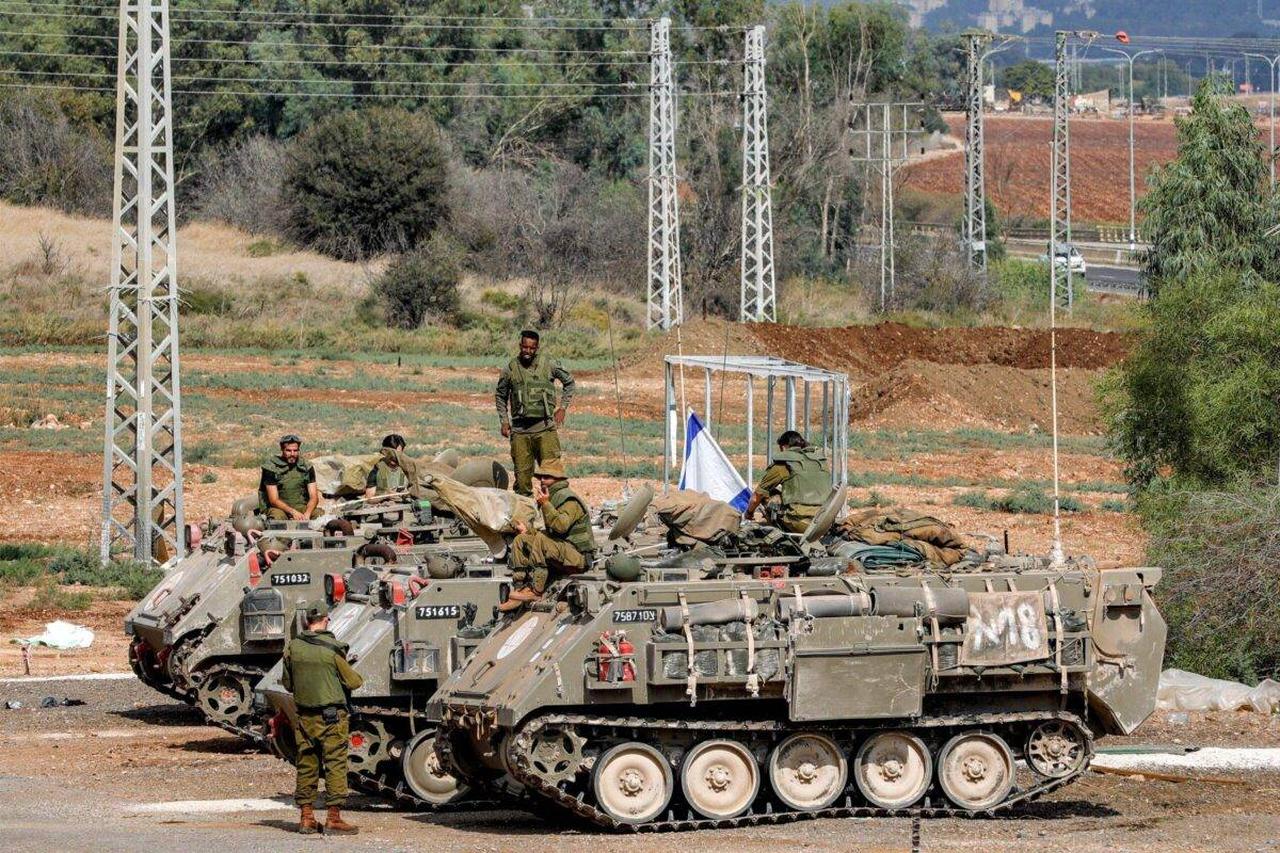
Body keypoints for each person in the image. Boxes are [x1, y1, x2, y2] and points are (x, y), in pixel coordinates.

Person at [282, 603, 364, 835]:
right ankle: (334, 818)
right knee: (335, 763)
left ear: (307, 621)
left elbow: (288, 684)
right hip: (331, 718)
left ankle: (306, 817)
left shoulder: (293, 647)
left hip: (304, 716)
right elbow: (354, 682)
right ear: (326, 620)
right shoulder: (332, 648)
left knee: (306, 764)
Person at [500, 460, 596, 611]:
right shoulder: (551, 497)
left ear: (558, 479)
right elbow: (550, 531)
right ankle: (520, 588)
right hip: (562, 550)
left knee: (541, 539)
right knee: (521, 540)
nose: (542, 480)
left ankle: (536, 590)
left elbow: (560, 526)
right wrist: (527, 531)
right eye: (540, 477)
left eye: (547, 477)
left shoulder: (569, 500)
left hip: (578, 556)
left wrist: (545, 504)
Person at [495, 330, 575, 496]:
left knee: (553, 477)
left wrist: (563, 408)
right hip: (520, 432)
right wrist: (504, 421)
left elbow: (569, 383)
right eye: (525, 347)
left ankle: (556, 516)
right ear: (520, 346)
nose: (528, 351)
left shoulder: (549, 365)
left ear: (537, 348)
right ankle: (526, 518)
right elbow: (500, 396)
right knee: (522, 482)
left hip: (545, 429)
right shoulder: (510, 369)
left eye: (532, 348)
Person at [743, 430, 830, 534]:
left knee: (767, 494)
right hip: (825, 522)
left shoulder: (783, 465)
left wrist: (749, 513)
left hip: (800, 524)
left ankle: (781, 535)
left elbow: (756, 497)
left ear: (784, 447)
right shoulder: (819, 462)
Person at [258, 434, 322, 521]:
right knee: (278, 518)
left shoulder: (306, 467)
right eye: (288, 450)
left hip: (301, 507)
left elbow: (314, 497)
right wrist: (293, 512)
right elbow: (274, 500)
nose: (292, 454)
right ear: (282, 450)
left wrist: (308, 513)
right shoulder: (271, 468)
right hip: (279, 508)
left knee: (319, 515)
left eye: (295, 451)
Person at [364, 433, 408, 499]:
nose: (394, 457)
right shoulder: (377, 470)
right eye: (392, 453)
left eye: (398, 453)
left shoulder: (406, 468)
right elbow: (369, 498)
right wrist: (386, 494)